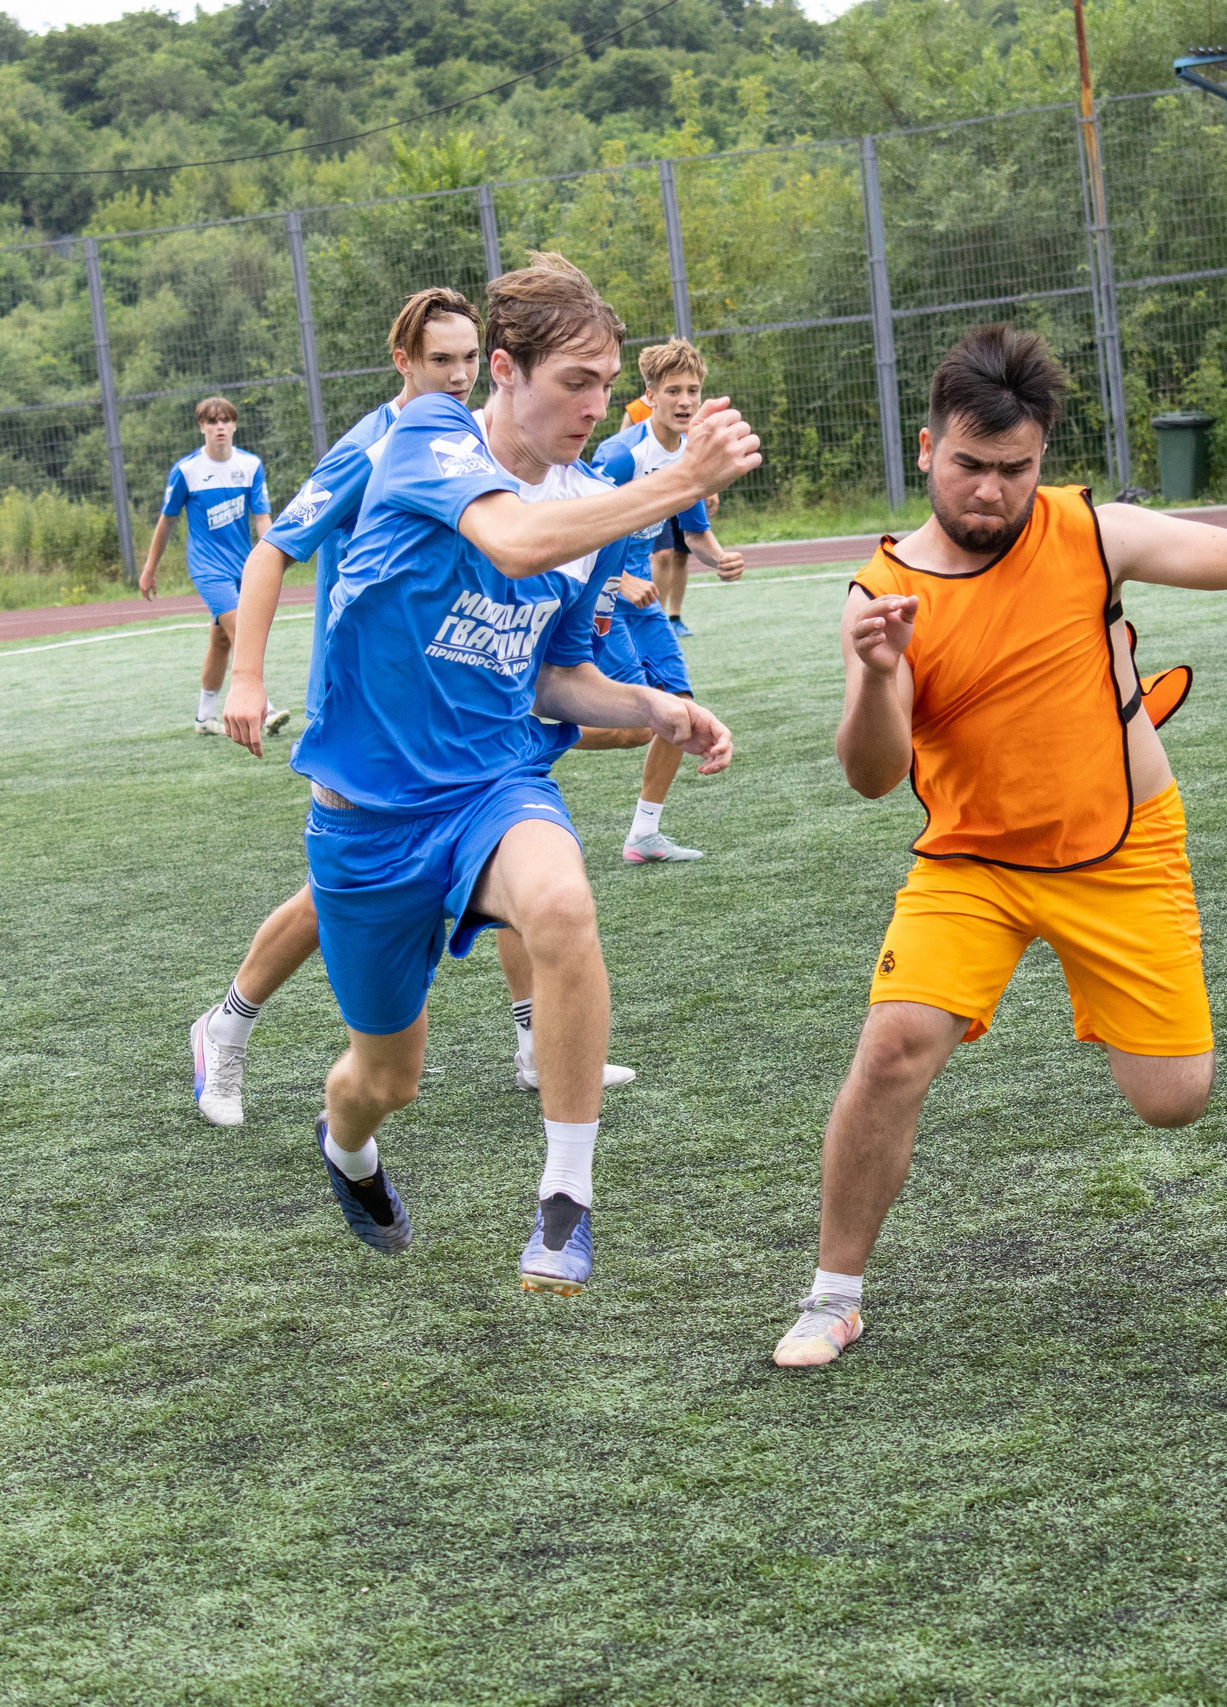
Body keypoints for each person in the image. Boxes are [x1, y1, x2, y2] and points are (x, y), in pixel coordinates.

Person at [768, 325, 1227, 1369]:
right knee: (890, 1050)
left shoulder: (1093, 533)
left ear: (1041, 462)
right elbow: (870, 773)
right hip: (972, 863)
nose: (989, 491)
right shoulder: (881, 595)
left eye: (1013, 470)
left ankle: (1106, 999)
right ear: (928, 448)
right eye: (968, 466)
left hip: (1121, 849)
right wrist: (881, 670)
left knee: (1173, 1101)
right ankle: (831, 1295)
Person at [292, 252, 755, 1294]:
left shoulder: (592, 503)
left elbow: (554, 677)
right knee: (385, 1079)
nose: (597, 405)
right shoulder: (426, 436)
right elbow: (508, 542)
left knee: (560, 904)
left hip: (490, 788)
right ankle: (347, 1145)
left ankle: (565, 1202)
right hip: (365, 820)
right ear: (503, 370)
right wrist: (676, 482)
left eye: (606, 384)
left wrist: (653, 707)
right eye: (574, 382)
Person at [193, 288, 637, 1127]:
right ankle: (227, 1023)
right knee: (336, 896)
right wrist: (245, 676)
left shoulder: (483, 446)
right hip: (370, 713)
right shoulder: (385, 442)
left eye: (469, 360)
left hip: (459, 706)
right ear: (403, 361)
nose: (458, 376)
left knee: (521, 847)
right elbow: (273, 552)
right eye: (441, 360)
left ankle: (535, 1039)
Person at [591, 339, 749, 863]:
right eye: (674, 391)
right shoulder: (619, 456)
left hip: (644, 603)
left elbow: (696, 533)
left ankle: (643, 834)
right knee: (637, 725)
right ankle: (523, 730)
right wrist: (616, 581)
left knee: (678, 711)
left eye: (694, 391)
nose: (685, 400)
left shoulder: (690, 457)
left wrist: (720, 557)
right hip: (601, 603)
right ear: (650, 396)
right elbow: (578, 534)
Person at [141, 398, 282, 735]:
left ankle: (205, 718)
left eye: (225, 420)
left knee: (221, 641)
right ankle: (265, 707)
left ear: (234, 425)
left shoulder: (250, 465)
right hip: (207, 569)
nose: (219, 427)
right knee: (240, 629)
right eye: (212, 421)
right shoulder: (186, 471)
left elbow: (262, 518)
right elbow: (167, 522)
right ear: (201, 427)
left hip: (242, 566)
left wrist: (272, 555)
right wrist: (149, 568)